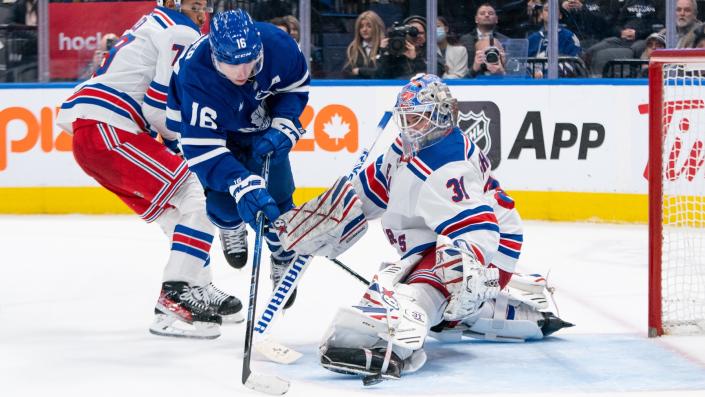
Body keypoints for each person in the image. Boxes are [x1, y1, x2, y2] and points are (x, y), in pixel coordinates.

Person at [273, 74, 573, 380]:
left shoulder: (448, 163)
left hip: (489, 251)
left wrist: (469, 272)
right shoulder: (406, 146)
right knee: (428, 278)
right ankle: (461, 312)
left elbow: (479, 227)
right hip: (439, 239)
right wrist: (328, 216)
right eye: (405, 119)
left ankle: (392, 342)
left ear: (441, 115)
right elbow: (371, 191)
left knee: (422, 285)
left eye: (417, 119)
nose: (408, 127)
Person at [55, 0, 243, 340]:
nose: (201, 12)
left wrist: (175, 142)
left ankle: (197, 287)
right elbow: (157, 109)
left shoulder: (153, 22)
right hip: (111, 131)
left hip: (96, 135)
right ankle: (174, 297)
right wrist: (190, 146)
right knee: (198, 193)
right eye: (195, 4)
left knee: (175, 213)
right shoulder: (181, 31)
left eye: (205, 5)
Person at [166, 9, 310, 308]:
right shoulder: (195, 72)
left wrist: (284, 123)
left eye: (249, 62)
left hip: (261, 128)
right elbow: (201, 147)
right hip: (216, 136)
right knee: (223, 205)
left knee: (279, 199)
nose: (242, 72)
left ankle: (282, 254)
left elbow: (296, 88)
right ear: (215, 54)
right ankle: (230, 228)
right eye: (232, 64)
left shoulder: (278, 45)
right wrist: (240, 183)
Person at [459, 3, 509, 77]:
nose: (487, 15)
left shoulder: (505, 40)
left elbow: (513, 71)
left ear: (496, 19)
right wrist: (474, 69)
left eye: (490, 13)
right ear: (476, 19)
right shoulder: (465, 40)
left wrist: (503, 70)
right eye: (482, 13)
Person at [376, 15, 427, 79]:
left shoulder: (431, 55)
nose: (417, 36)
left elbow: (430, 77)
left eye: (421, 33)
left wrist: (415, 59)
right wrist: (384, 53)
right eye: (412, 32)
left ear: (426, 35)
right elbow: (380, 76)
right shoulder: (395, 54)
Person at [343, 10, 385, 79]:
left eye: (369, 26)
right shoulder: (353, 49)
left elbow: (382, 73)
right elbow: (348, 72)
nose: (364, 30)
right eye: (361, 26)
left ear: (377, 28)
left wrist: (359, 71)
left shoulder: (384, 47)